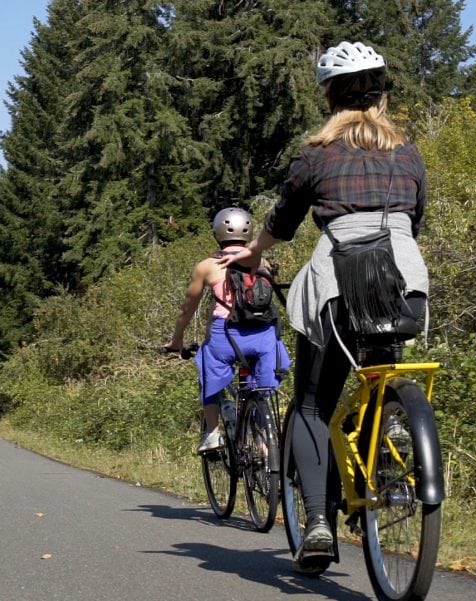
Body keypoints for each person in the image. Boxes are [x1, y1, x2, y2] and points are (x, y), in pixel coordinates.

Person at [217, 41, 429, 569]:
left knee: (312, 404)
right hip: (404, 278)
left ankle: (315, 523)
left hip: (338, 282)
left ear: (331, 97)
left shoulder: (317, 153)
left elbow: (282, 222)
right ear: (381, 94)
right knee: (377, 376)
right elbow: (416, 218)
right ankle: (389, 441)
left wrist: (254, 254)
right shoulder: (408, 152)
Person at [163, 207, 290, 454]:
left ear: (217, 234)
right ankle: (266, 446)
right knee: (260, 389)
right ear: (249, 231)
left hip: (227, 335)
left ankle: (212, 434)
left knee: (207, 366)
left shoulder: (208, 266)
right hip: (264, 334)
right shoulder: (263, 262)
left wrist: (177, 340)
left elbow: (187, 308)